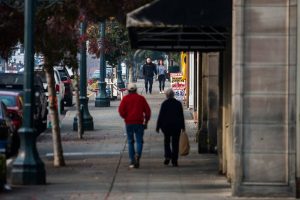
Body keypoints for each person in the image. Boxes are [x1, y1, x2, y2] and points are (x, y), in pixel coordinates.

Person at [118, 83, 151, 168]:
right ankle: (138, 155)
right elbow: (148, 111)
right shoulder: (141, 99)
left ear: (128, 90)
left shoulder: (125, 99)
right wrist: (146, 121)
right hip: (139, 122)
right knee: (139, 140)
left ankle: (132, 160)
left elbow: (121, 110)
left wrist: (125, 117)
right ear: (136, 90)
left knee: (130, 141)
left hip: (129, 123)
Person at [156, 89, 185, 167]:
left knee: (167, 142)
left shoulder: (165, 104)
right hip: (176, 126)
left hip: (166, 126)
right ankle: (174, 160)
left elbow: (161, 116)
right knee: (175, 143)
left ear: (167, 95)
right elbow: (181, 116)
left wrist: (158, 126)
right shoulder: (178, 104)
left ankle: (168, 156)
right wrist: (183, 127)